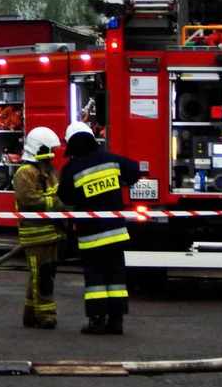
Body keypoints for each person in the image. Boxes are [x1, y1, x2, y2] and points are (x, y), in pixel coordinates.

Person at [57, 122, 140, 335]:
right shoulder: (111, 160)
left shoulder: (72, 169)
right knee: (116, 277)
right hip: (116, 233)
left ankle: (96, 321)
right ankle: (116, 321)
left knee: (95, 279)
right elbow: (135, 170)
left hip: (91, 235)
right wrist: (118, 182)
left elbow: (65, 197)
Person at [13, 127, 64, 329]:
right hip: (35, 235)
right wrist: (57, 203)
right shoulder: (24, 173)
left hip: (52, 235)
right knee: (42, 276)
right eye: (49, 149)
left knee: (42, 275)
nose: (52, 154)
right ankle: (45, 315)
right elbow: (29, 200)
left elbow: (59, 192)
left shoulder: (49, 172)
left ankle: (30, 314)